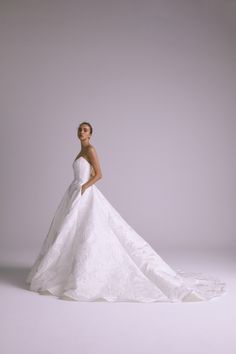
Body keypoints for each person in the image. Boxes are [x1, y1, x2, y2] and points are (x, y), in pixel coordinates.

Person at [25, 122, 226, 302]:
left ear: (91, 134)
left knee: (88, 231)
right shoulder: (81, 150)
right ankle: (67, 269)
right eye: (79, 129)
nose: (81, 132)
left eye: (85, 130)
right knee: (69, 231)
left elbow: (100, 174)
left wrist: (85, 187)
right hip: (73, 192)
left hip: (83, 192)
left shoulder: (90, 149)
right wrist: (78, 188)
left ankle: (87, 274)